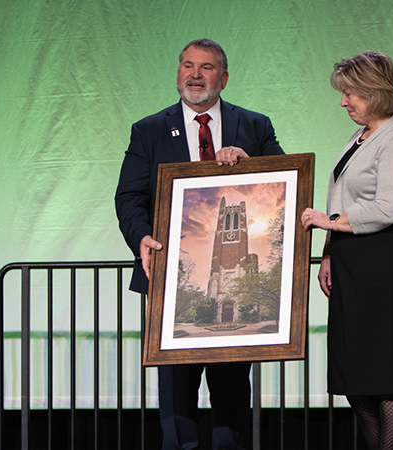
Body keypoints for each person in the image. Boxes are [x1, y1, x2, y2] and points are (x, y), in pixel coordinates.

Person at [115, 38, 284, 450]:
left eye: (205, 67)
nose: (195, 74)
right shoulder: (149, 129)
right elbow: (129, 197)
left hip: (235, 290)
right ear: (178, 73)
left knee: (230, 395)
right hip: (170, 278)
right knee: (176, 393)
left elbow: (284, 183)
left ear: (223, 77)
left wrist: (251, 163)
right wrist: (141, 237)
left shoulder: (255, 126)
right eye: (187, 65)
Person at [301, 51, 393, 450]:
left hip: (384, 258)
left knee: (386, 369)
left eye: (350, 92)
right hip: (353, 256)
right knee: (355, 371)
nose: (343, 101)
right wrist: (329, 252)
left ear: (374, 91)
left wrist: (329, 224)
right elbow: (340, 198)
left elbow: (387, 207)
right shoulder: (362, 135)